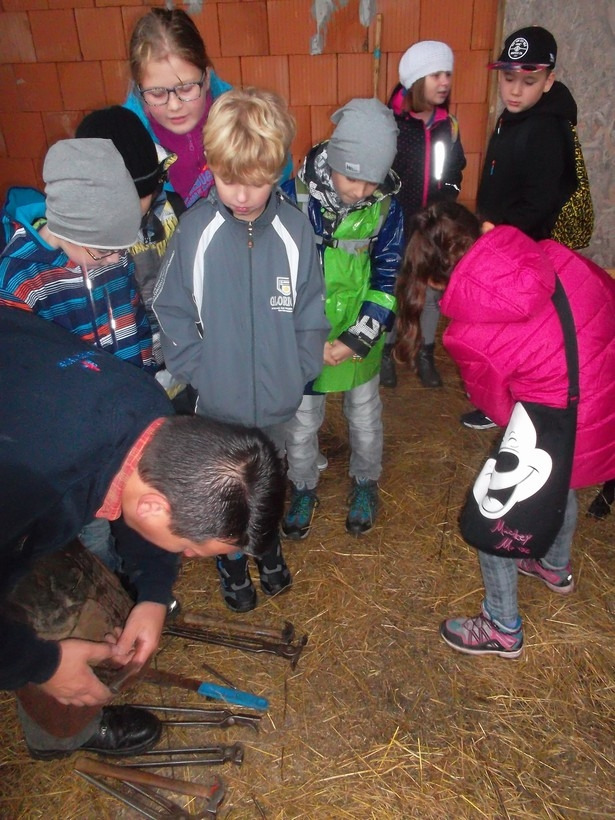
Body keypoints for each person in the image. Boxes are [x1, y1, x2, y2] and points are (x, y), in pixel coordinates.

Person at [0, 305, 285, 758]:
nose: (186, 557)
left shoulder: (149, 412)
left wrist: (153, 593)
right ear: (155, 507)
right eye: (189, 550)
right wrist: (41, 665)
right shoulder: (33, 479)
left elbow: (139, 500)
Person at [395, 201, 615, 658]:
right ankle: (553, 565)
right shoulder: (554, 253)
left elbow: (495, 407)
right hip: (605, 400)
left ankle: (501, 626)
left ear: (435, 281)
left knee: (496, 514)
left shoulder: (466, 335)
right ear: (486, 228)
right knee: (563, 480)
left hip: (554, 419)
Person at [154, 87, 329, 612]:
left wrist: (298, 369)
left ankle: (267, 548)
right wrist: (200, 369)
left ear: (278, 170)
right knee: (225, 493)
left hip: (277, 403)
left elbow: (311, 309)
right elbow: (170, 306)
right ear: (211, 165)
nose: (244, 195)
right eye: (231, 180)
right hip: (219, 406)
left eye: (257, 181)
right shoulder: (195, 232)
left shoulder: (295, 231)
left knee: (267, 483)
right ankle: (231, 563)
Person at [281, 98, 404, 539]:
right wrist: (304, 337)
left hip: (358, 333)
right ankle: (302, 485)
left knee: (365, 415)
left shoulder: (386, 208)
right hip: (303, 334)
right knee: (300, 421)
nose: (360, 191)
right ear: (333, 160)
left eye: (372, 181)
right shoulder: (293, 200)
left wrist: (357, 337)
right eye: (352, 177)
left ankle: (366, 481)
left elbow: (387, 277)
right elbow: (277, 274)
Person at [462, 25, 581, 430]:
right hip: (502, 243)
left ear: (548, 81)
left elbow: (541, 200)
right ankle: (497, 398)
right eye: (508, 79)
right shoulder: (515, 115)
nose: (514, 90)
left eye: (528, 82)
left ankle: (510, 406)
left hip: (523, 250)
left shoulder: (546, 128)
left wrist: (499, 233)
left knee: (516, 332)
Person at [0, 138, 154, 372]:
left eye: (121, 248)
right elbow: (22, 371)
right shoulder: (18, 284)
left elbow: (138, 321)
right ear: (67, 230)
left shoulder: (113, 255)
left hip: (131, 385)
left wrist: (148, 373)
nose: (116, 259)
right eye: (103, 251)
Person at [381, 40, 465, 389]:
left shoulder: (448, 126)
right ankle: (385, 353)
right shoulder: (391, 124)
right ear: (416, 80)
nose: (444, 82)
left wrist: (445, 208)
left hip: (432, 227)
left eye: (447, 74)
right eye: (435, 75)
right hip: (396, 225)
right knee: (391, 289)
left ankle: (425, 353)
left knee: (431, 292)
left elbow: (455, 171)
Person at [75, 106, 183, 374]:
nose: (127, 211)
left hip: (181, 366)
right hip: (117, 374)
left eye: (137, 198)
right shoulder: (74, 242)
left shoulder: (178, 213)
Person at [124, 8, 231, 207]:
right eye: (157, 93)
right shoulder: (127, 141)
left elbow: (274, 171)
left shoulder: (239, 115)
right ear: (139, 90)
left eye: (187, 88)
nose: (174, 105)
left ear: (207, 78)